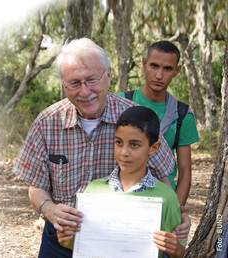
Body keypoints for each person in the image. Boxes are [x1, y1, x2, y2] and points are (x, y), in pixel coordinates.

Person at [13, 38, 186, 258]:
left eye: (92, 80)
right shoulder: (47, 122)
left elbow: (164, 180)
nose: (85, 92)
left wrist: (176, 216)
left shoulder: (135, 119)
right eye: (74, 83)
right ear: (63, 85)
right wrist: (50, 210)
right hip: (60, 237)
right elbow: (36, 187)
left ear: (109, 75)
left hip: (125, 242)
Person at [58, 106, 186, 258]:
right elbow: (83, 243)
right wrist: (65, 238)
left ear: (153, 148)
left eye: (134, 145)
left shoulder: (166, 197)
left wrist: (175, 248)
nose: (124, 152)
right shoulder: (94, 190)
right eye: (119, 142)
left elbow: (179, 252)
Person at [119, 40, 199, 206]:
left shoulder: (182, 114)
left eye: (167, 68)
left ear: (177, 71)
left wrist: (175, 210)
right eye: (154, 66)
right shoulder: (121, 102)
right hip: (123, 197)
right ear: (144, 63)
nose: (159, 75)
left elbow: (185, 172)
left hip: (162, 199)